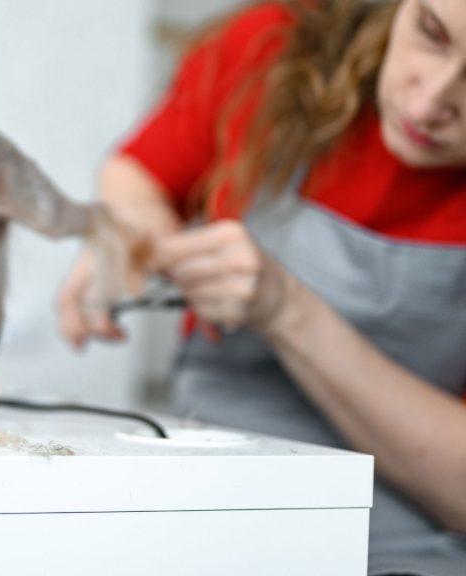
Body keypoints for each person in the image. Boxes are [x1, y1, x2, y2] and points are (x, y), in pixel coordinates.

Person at [57, 0, 466, 573]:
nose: (429, 103)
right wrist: (129, 241)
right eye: (430, 32)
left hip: (409, 536)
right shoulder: (276, 47)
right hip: (222, 485)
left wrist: (286, 310)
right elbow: (136, 175)